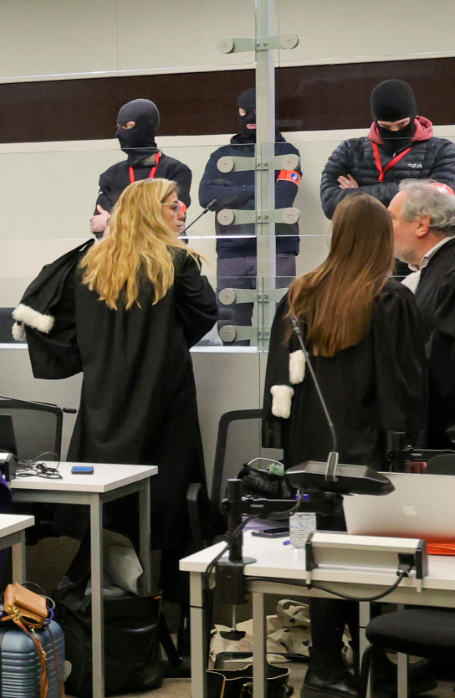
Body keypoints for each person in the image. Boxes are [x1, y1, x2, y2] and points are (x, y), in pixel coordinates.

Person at [263, 193, 428, 698]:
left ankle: (326, 668)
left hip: (309, 458)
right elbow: (400, 384)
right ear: (380, 239)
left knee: (322, 561)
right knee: (374, 563)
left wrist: (280, 449)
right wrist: (408, 447)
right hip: (367, 454)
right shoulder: (388, 296)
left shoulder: (300, 292)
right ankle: (374, 665)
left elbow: (277, 387)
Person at [51, 178, 217, 603]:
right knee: (175, 508)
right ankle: (178, 620)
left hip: (104, 405)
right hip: (165, 404)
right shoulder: (176, 262)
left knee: (106, 510)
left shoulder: (89, 265)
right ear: (149, 211)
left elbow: (63, 334)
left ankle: (100, 610)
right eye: (173, 205)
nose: (181, 212)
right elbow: (204, 314)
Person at [388, 180, 455, 448]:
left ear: (422, 225)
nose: (386, 229)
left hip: (452, 439)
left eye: (392, 219)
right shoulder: (436, 268)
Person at [199, 89, 302, 340]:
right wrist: (256, 191)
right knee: (232, 333)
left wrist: (232, 194)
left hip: (277, 250)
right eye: (244, 112)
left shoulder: (287, 153)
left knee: (284, 333)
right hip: (231, 252)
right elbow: (207, 197)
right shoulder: (222, 156)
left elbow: (282, 199)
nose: (249, 118)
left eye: (255, 112)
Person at [320, 80, 455, 220]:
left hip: (415, 240)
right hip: (365, 239)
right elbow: (330, 206)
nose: (395, 131)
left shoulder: (442, 151)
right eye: (386, 127)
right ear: (376, 122)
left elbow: (439, 204)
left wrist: (357, 196)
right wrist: (408, 189)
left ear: (413, 117)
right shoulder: (350, 150)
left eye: (402, 124)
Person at [91, 99, 192, 237]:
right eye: (118, 127)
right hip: (124, 255)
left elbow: (171, 221)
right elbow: (99, 227)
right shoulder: (110, 175)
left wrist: (111, 221)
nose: (119, 133)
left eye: (127, 126)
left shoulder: (176, 170)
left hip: (168, 254)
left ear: (146, 127)